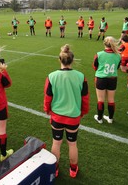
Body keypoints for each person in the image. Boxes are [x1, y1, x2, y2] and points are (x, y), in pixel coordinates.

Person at [44, 44, 89, 178]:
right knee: (72, 143)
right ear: (72, 60)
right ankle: (73, 170)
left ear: (60, 60)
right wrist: (83, 112)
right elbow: (85, 98)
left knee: (56, 143)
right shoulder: (81, 76)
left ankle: (55, 169)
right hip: (74, 117)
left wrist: (47, 110)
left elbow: (48, 97)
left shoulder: (52, 76)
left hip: (57, 117)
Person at [93, 37, 121, 124]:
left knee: (100, 99)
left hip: (101, 78)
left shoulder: (99, 54)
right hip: (112, 79)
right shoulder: (118, 55)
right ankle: (110, 118)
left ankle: (100, 118)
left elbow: (95, 67)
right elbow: (117, 67)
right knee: (111, 99)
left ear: (104, 44)